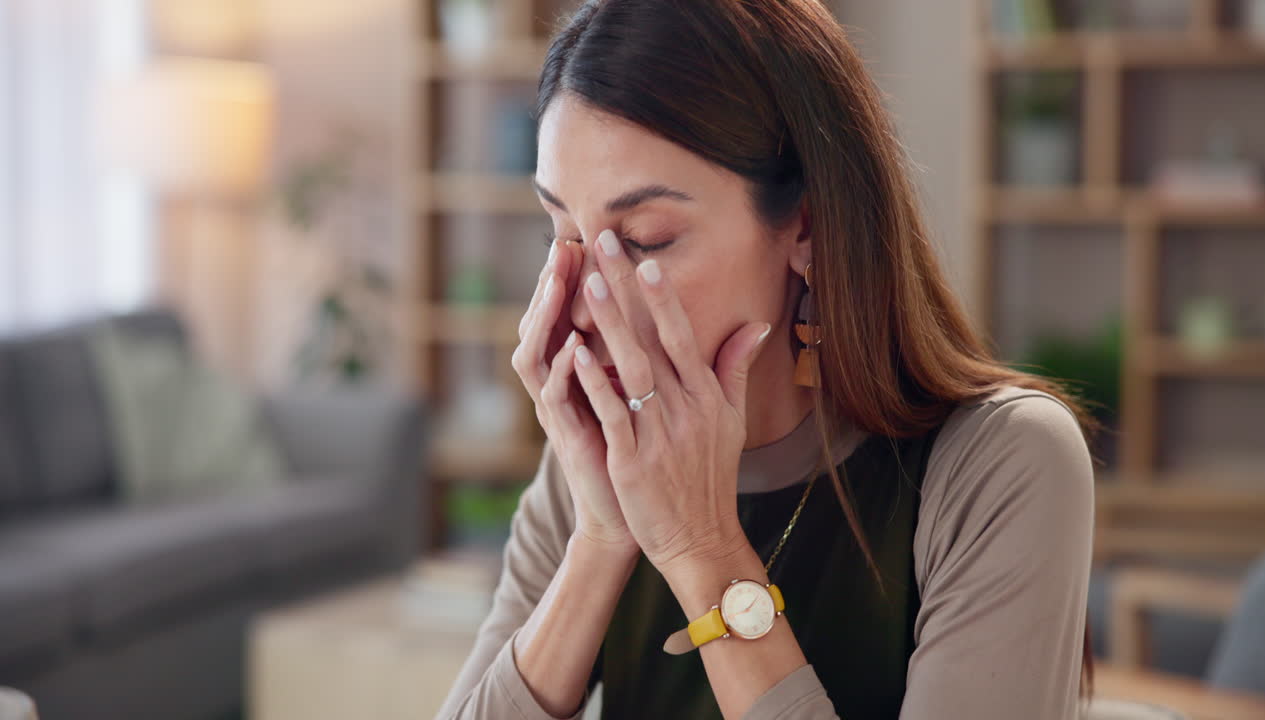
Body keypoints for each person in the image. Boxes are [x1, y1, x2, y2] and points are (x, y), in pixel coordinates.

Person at [435, 1, 1097, 718]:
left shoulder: (1003, 463)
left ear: (806, 226)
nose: (588, 302)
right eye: (560, 235)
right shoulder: (592, 467)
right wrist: (602, 537)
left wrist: (701, 548)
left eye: (647, 239)